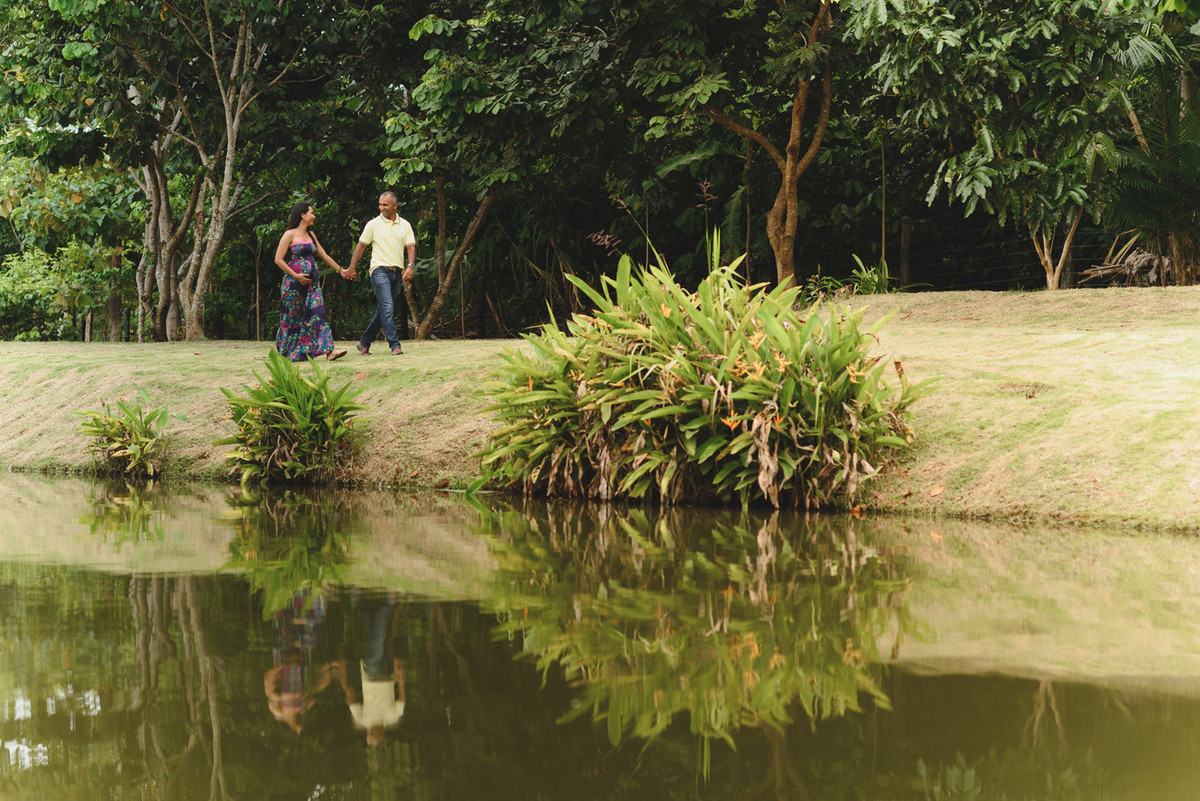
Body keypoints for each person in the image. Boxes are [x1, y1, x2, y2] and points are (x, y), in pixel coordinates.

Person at [344, 191, 417, 356]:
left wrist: (410, 266)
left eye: (385, 205)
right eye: (380, 204)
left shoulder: (404, 225)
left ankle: (364, 343)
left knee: (383, 310)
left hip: (396, 272)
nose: (381, 208)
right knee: (388, 308)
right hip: (379, 271)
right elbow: (361, 246)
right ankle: (394, 345)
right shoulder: (373, 224)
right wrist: (352, 267)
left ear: (395, 206)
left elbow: (411, 247)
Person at [274, 201, 348, 362]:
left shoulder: (311, 235)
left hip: (312, 285)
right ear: (303, 215)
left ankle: (330, 351)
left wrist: (341, 270)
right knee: (294, 318)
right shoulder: (289, 235)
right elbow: (278, 259)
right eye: (311, 213)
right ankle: (291, 353)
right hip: (293, 285)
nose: (314, 216)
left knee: (319, 313)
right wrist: (296, 275)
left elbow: (324, 255)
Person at [332, 589, 407, 746]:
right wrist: (400, 675)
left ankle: (389, 601)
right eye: (373, 734)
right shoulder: (393, 718)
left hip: (371, 672)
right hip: (387, 671)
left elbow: (350, 695)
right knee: (376, 633)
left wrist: (342, 670)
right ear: (382, 734)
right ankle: (359, 600)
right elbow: (401, 699)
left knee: (378, 637)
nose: (369, 731)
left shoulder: (361, 720)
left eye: (368, 734)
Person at [264, 587, 333, 734]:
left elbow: (268, 682)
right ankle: (314, 590)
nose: (301, 728)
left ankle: (285, 587)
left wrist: (282, 666)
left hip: (284, 655)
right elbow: (316, 690)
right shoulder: (303, 710)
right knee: (310, 622)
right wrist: (329, 669)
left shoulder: (278, 712)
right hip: (301, 656)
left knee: (282, 615)